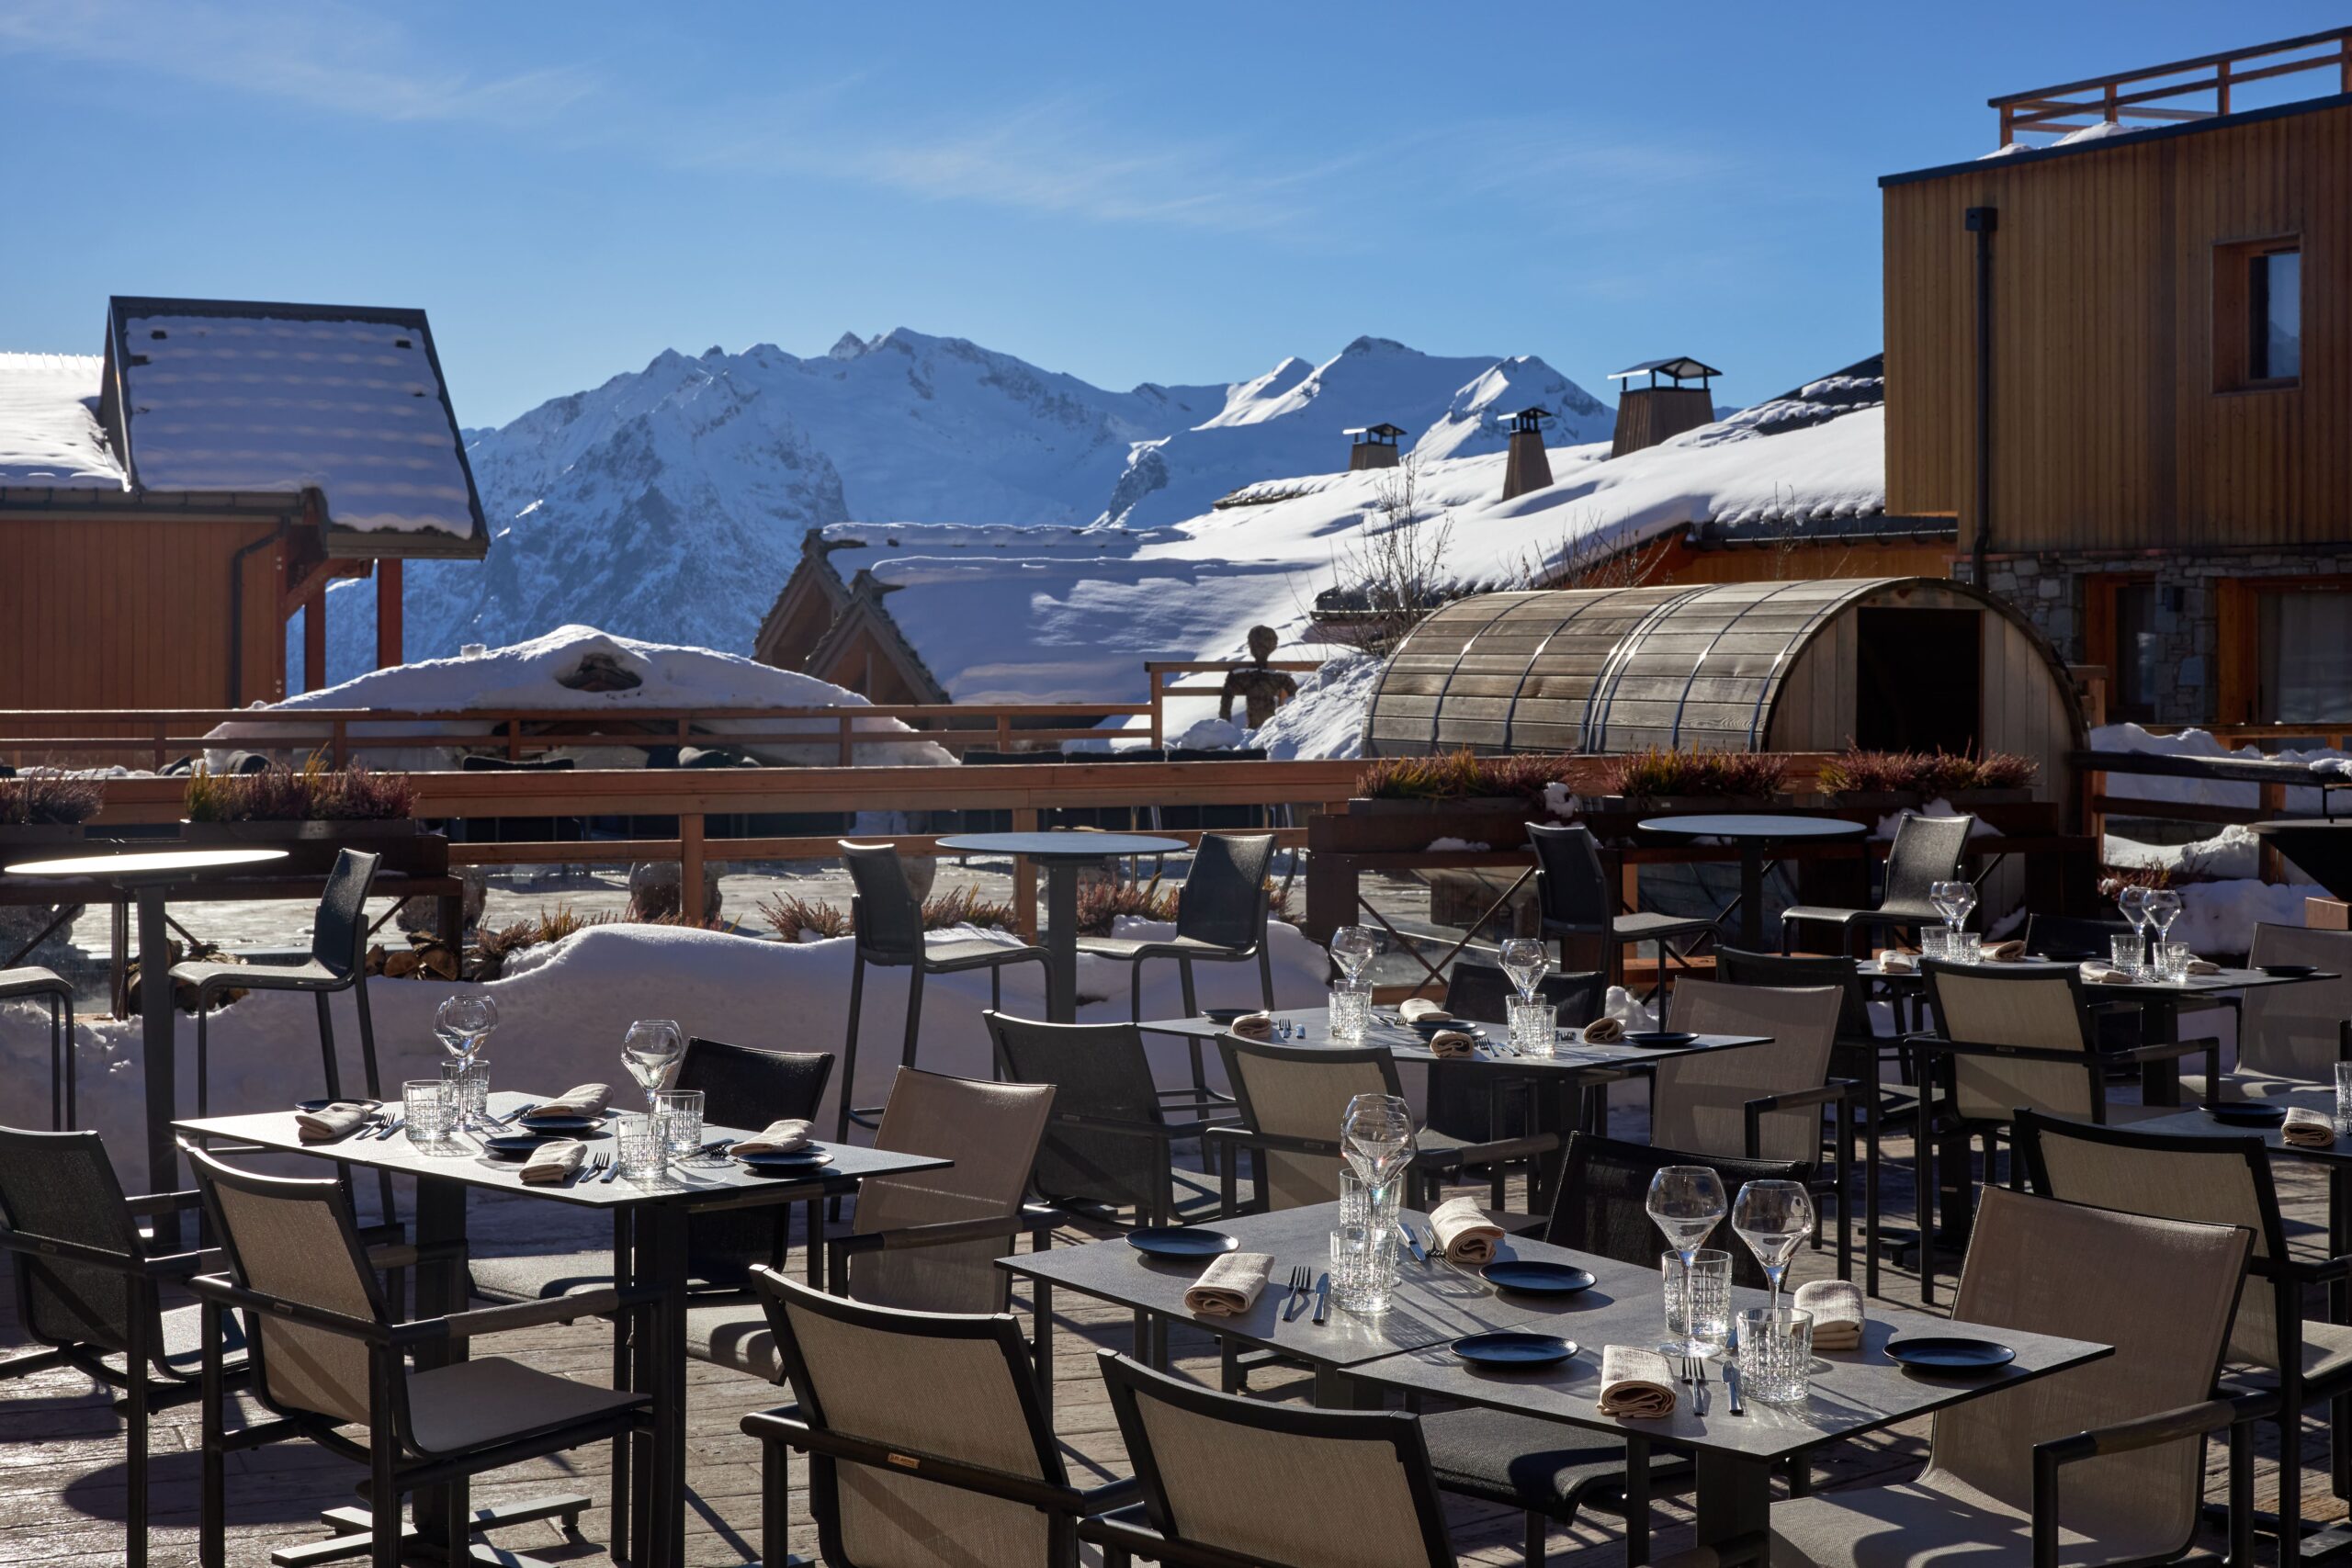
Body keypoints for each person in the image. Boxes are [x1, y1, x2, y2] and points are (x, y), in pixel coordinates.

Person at [1217, 626, 1299, 730]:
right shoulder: (1279, 677)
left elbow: (1226, 702)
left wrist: (1225, 727)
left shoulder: (1240, 676)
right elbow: (1297, 700)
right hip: (1271, 729)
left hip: (1263, 729)